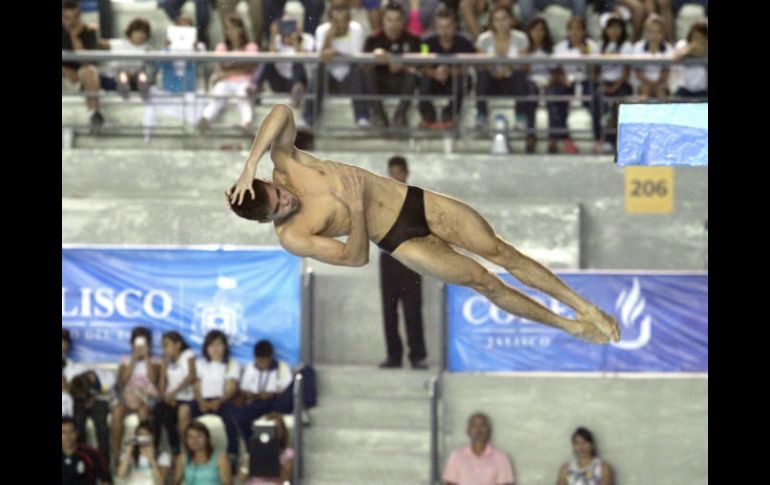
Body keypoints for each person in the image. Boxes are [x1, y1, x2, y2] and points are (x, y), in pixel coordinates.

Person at [226, 103, 621, 344]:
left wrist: (249, 161)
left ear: (265, 181)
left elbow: (282, 111)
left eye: (278, 194)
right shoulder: (293, 236)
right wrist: (356, 210)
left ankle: (585, 307)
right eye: (279, 208)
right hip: (398, 239)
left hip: (415, 201)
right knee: (485, 282)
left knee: (501, 252)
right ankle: (566, 326)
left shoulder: (286, 164)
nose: (287, 200)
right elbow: (354, 258)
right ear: (269, 221)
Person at [378, 156, 428, 369]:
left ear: (406, 173)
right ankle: (393, 355)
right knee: (389, 310)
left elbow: (424, 230)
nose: (395, 176)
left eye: (399, 172)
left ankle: (417, 356)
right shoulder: (381, 200)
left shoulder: (416, 199)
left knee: (412, 310)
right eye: (392, 172)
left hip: (410, 258)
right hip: (388, 258)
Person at [303, 1, 370, 127]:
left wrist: (335, 53)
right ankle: (309, 116)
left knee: (356, 70)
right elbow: (321, 57)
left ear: (349, 19)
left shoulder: (356, 29)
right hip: (329, 81)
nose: (340, 24)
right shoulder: (322, 30)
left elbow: (355, 57)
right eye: (336, 21)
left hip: (350, 80)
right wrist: (329, 37)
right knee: (319, 70)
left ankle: (362, 116)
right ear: (330, 20)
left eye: (343, 20)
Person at [473, 6, 533, 134]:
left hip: (513, 80)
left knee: (520, 75)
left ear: (511, 20)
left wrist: (507, 69)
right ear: (492, 22)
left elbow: (524, 64)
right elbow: (481, 63)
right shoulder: (484, 39)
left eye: (504, 19)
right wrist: (495, 71)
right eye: (497, 19)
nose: (501, 23)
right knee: (482, 74)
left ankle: (520, 118)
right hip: (491, 81)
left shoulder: (521, 38)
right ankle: (481, 117)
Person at [198, 14, 260, 133]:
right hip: (226, 81)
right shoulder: (221, 47)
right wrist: (239, 64)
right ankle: (205, 118)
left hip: (244, 80)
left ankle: (246, 122)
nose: (230, 31)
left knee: (243, 94)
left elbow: (248, 68)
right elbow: (223, 66)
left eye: (233, 28)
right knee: (219, 92)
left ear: (241, 30)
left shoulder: (251, 46)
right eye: (227, 28)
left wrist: (230, 67)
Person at [363, 3, 422, 128]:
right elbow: (364, 67)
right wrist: (374, 59)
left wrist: (402, 67)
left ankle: (400, 117)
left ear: (402, 21)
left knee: (412, 75)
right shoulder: (373, 39)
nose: (393, 24)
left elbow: (420, 67)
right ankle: (380, 117)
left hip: (402, 83)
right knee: (368, 75)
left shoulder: (413, 39)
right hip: (381, 84)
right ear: (383, 20)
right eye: (389, 20)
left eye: (397, 20)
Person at [546, 16, 599, 154]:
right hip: (566, 81)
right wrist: (563, 79)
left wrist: (587, 58)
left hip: (586, 81)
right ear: (568, 31)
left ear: (584, 31)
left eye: (579, 29)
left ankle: (598, 139)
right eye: (572, 29)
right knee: (554, 96)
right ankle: (563, 138)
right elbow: (556, 69)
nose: (575, 32)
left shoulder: (592, 46)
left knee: (596, 98)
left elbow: (596, 71)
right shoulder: (560, 47)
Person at [418, 7, 477, 129]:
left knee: (464, 80)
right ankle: (428, 115)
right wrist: (434, 73)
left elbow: (470, 68)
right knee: (423, 79)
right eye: (440, 27)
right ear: (435, 27)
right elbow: (422, 66)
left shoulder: (465, 42)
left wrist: (449, 72)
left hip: (454, 80)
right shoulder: (426, 42)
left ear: (455, 26)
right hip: (434, 80)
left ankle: (449, 115)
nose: (444, 31)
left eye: (448, 26)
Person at [190, 330, 242, 464]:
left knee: (231, 418)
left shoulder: (231, 364)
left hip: (223, 400)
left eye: (219, 345)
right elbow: (196, 385)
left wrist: (219, 401)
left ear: (225, 347)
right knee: (186, 413)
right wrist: (201, 402)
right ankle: (188, 453)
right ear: (206, 348)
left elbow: (232, 388)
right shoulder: (200, 363)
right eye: (211, 345)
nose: (215, 349)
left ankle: (232, 454)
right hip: (202, 400)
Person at [112, 327, 161, 462]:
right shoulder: (125, 359)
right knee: (117, 412)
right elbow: (123, 380)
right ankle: (116, 455)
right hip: (129, 397)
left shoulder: (155, 360)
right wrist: (133, 359)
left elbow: (154, 379)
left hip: (147, 397)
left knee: (143, 412)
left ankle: (144, 455)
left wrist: (146, 358)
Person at [62, 0, 105, 133]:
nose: (71, 22)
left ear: (80, 15)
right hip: (65, 76)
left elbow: (86, 61)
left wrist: (75, 37)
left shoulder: (89, 31)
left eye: (75, 18)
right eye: (67, 18)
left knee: (89, 71)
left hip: (81, 78)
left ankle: (93, 114)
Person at [153, 331, 197, 456]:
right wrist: (163, 368)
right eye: (162, 346)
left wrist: (174, 393)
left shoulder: (188, 355)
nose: (164, 349)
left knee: (170, 416)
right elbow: (162, 388)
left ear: (178, 344)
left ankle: (179, 450)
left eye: (166, 345)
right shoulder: (167, 361)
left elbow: (191, 376)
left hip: (186, 397)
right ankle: (157, 449)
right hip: (170, 398)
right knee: (158, 411)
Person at [442, 412, 515, 485]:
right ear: (468, 431)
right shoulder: (456, 456)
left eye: (482, 426)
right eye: (474, 426)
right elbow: (450, 483)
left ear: (489, 431)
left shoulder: (501, 457)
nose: (478, 430)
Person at [238, 412, 294, 484]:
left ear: (282, 432)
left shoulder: (288, 454)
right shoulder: (253, 452)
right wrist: (247, 465)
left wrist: (273, 456)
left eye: (276, 429)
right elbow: (240, 480)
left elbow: (285, 481)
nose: (274, 433)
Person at [116, 420, 172, 485]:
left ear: (153, 437)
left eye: (146, 435)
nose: (143, 438)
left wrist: (152, 460)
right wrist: (128, 452)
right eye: (140, 435)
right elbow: (120, 476)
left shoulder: (163, 456)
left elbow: (160, 483)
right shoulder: (130, 454)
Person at [62, 417, 113, 485]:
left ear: (77, 433)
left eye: (71, 432)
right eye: (63, 433)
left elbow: (105, 479)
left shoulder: (91, 453)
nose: (68, 436)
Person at [672, 21, 707, 98]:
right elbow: (676, 56)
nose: (697, 41)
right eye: (695, 37)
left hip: (703, 90)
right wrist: (689, 50)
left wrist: (702, 53)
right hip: (684, 89)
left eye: (701, 38)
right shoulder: (682, 44)